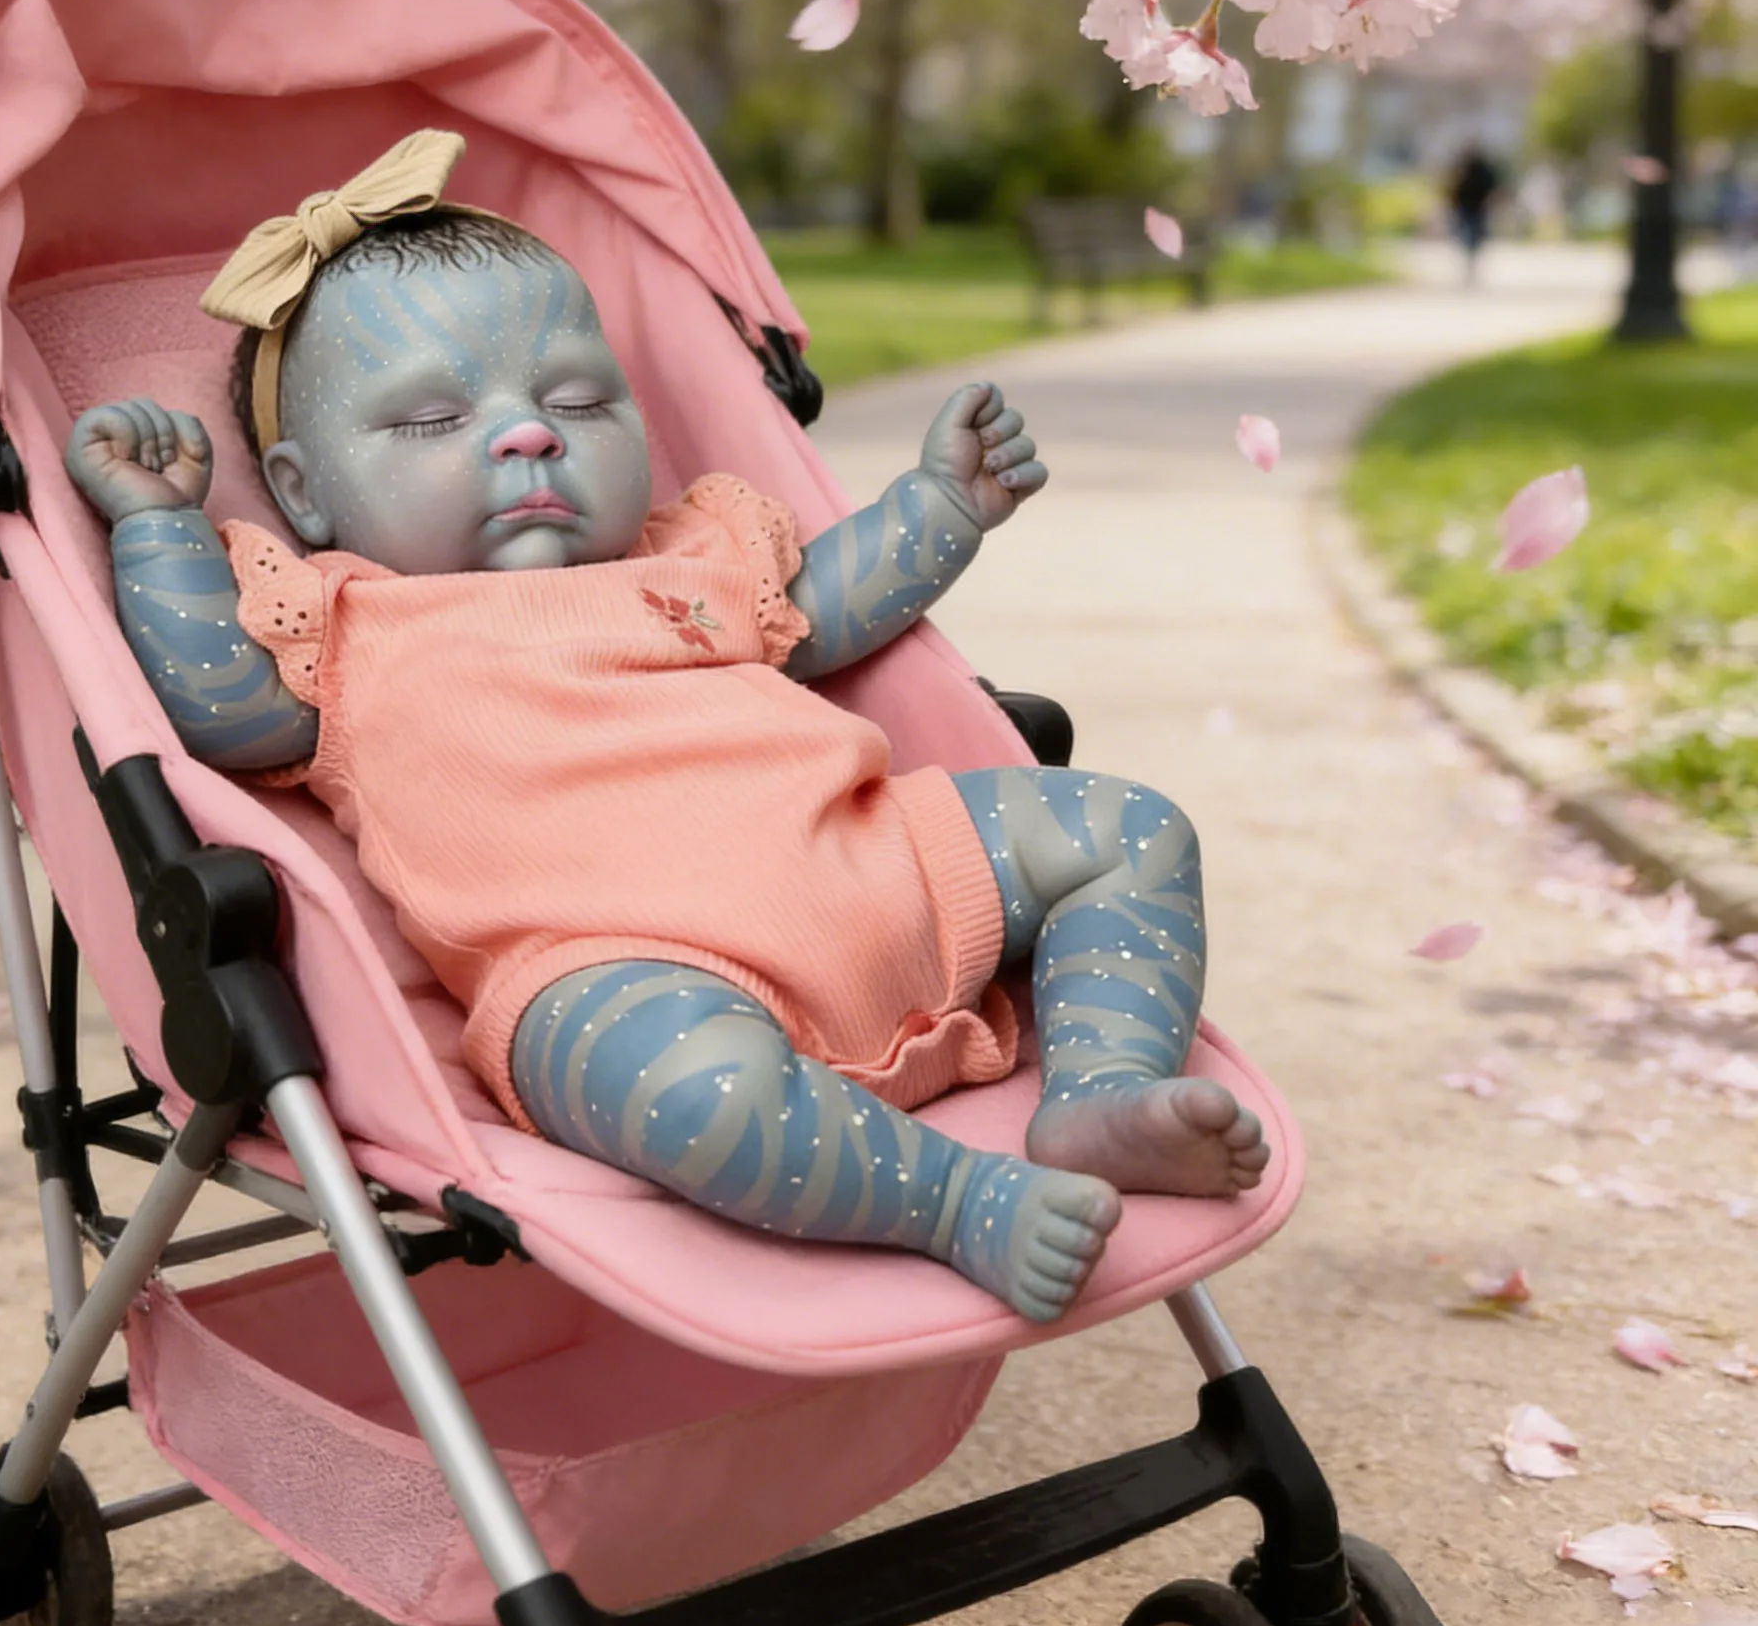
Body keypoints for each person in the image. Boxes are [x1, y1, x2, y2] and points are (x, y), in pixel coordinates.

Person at [64, 130, 1268, 1325]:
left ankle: (1103, 1092)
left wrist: (942, 506)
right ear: (307, 490)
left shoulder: (685, 554)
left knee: (1127, 828)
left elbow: (820, 613)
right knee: (684, 1093)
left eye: (580, 399)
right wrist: (155, 526)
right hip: (623, 964)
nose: (530, 432)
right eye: (432, 421)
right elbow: (214, 710)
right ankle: (956, 1201)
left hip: (873, 860)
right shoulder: (344, 620)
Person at [1446, 145, 1502, 285]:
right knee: (1468, 238)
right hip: (1467, 208)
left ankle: (1471, 265)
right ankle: (1470, 264)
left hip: (1476, 208)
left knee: (1473, 238)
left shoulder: (1479, 170)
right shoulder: (1462, 168)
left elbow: (1491, 187)